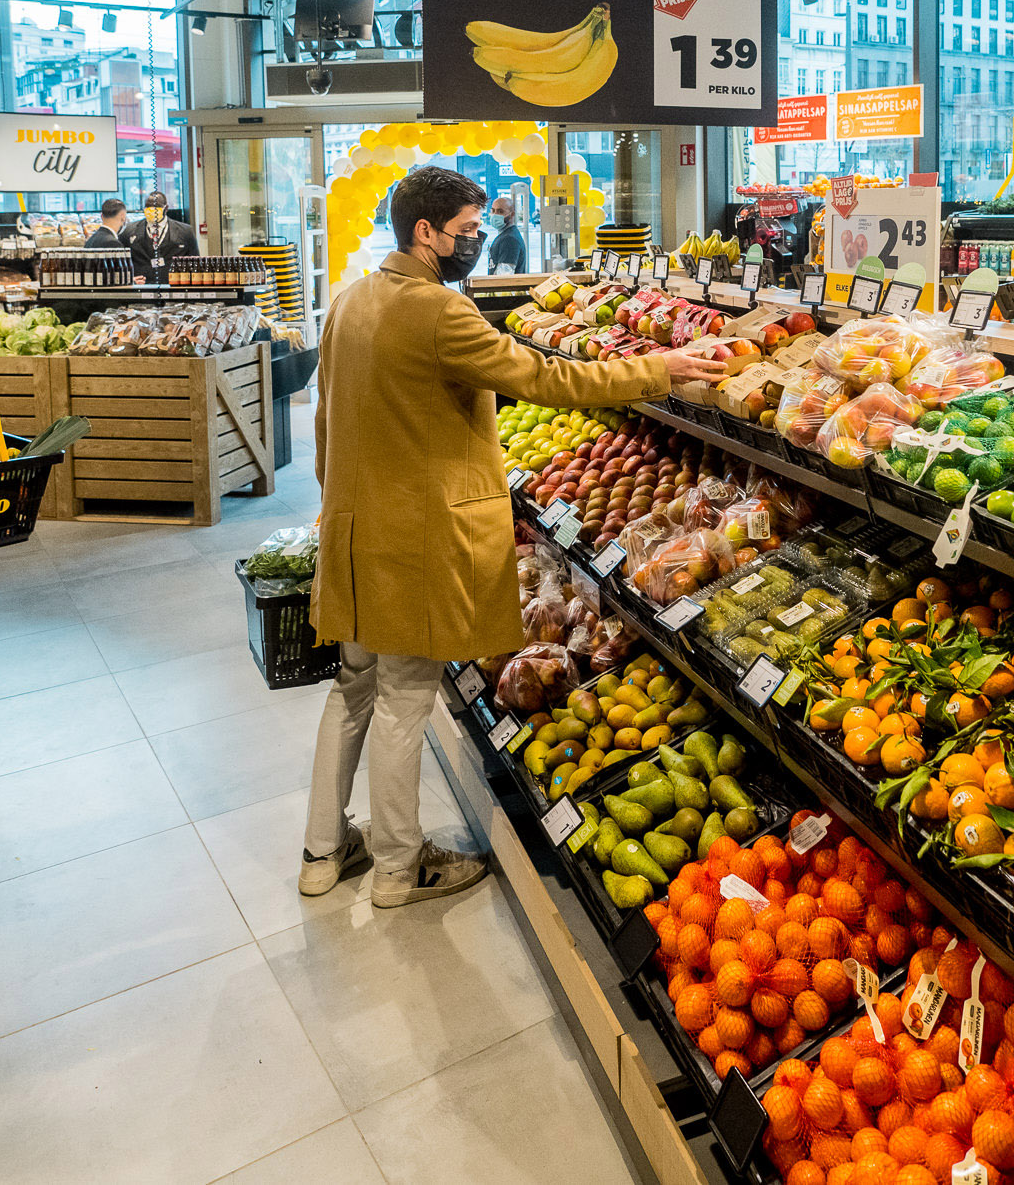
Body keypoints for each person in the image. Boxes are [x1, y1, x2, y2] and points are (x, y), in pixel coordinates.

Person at [302, 167, 729, 908]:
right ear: (425, 233)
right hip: (412, 541)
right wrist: (655, 368)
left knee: (354, 687)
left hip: (352, 531)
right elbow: (546, 378)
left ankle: (321, 850)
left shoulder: (349, 303)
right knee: (406, 695)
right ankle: (401, 870)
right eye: (467, 231)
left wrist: (337, 504)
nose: (476, 241)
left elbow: (323, 423)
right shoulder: (439, 311)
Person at [125, 188, 198, 280]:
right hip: (142, 286)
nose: (151, 210)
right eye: (148, 207)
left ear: (166, 208)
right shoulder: (129, 231)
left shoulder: (185, 231)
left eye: (156, 207)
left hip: (173, 285)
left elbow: (194, 262)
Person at [485, 195, 527, 274]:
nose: (495, 215)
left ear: (512, 215)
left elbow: (504, 277)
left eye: (500, 211)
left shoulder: (510, 239)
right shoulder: (504, 236)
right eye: (493, 211)